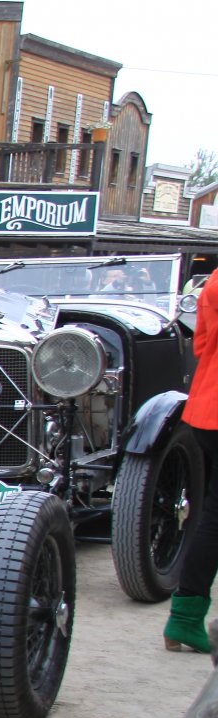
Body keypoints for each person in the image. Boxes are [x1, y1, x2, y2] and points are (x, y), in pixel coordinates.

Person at [165, 271, 218, 652]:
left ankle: (185, 618)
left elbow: (201, 344)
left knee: (213, 519)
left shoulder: (214, 281)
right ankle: (184, 619)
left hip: (208, 409)